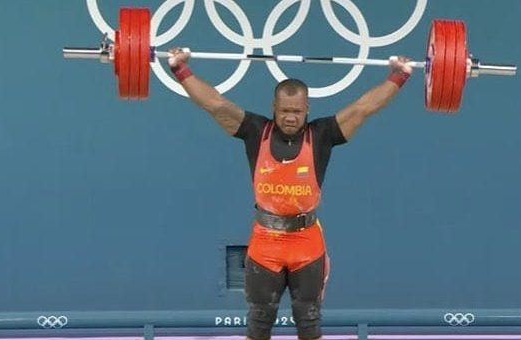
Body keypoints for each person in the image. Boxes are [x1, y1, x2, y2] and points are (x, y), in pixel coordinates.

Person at [167, 48, 413, 340]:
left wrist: (399, 76)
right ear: (274, 107)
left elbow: (363, 108)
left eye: (297, 112)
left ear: (307, 109)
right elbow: (215, 104)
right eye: (285, 111)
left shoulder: (322, 135)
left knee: (309, 320)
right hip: (265, 240)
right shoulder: (256, 131)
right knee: (259, 321)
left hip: (306, 242)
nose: (291, 117)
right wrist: (180, 70)